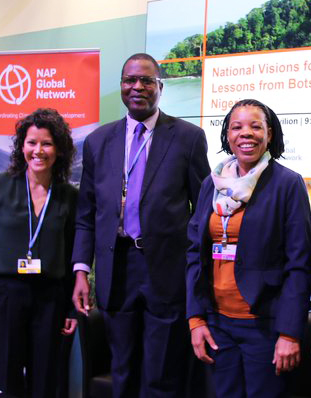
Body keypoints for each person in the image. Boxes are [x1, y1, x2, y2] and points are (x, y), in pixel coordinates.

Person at [71, 53, 210, 397]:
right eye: (130, 80)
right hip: (116, 269)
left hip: (165, 271)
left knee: (161, 372)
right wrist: (80, 270)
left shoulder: (188, 138)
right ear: (121, 86)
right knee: (123, 368)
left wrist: (193, 267)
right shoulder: (98, 141)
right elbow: (86, 213)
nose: (137, 87)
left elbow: (203, 209)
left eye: (146, 80)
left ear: (160, 87)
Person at [186, 99, 311, 398]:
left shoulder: (287, 183)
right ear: (227, 136)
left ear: (269, 134)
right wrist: (196, 319)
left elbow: (299, 263)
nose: (246, 133)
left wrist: (290, 332)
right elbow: (194, 253)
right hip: (217, 323)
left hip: (265, 326)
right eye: (237, 127)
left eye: (256, 126)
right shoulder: (212, 184)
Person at [0, 108, 78, 397]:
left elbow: (69, 255)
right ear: (22, 146)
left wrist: (69, 309)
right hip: (3, 295)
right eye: (32, 143)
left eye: (47, 143)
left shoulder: (68, 195)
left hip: (49, 298)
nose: (38, 151)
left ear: (59, 150)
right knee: (5, 378)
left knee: (46, 378)